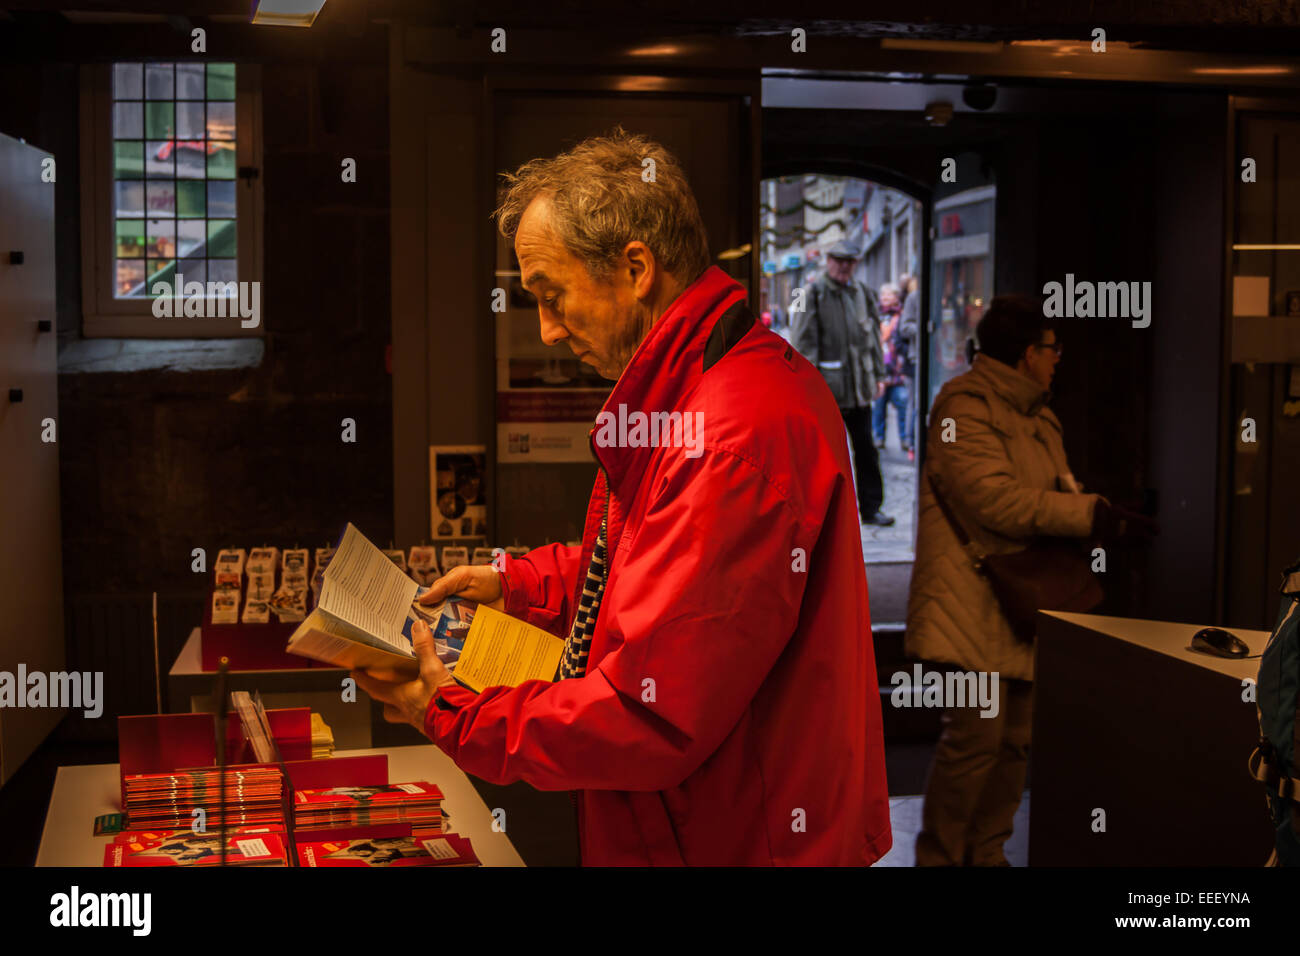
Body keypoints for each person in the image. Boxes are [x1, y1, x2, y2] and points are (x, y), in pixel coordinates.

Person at [353, 129, 891, 866]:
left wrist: (451, 714)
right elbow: (664, 573)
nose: (545, 329)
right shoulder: (720, 384)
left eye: (552, 294)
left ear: (636, 267)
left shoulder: (727, 435)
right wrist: (522, 585)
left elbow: (649, 715)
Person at [905, 295, 1152, 866]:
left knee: (1015, 742)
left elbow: (1057, 491)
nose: (1058, 358)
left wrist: (1103, 512)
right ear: (1025, 353)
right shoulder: (961, 408)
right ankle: (939, 858)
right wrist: (1084, 512)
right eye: (1052, 347)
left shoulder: (1039, 415)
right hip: (969, 599)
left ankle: (988, 854)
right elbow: (995, 501)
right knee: (976, 742)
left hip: (1021, 599)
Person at [789, 239, 895, 526]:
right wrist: (809, 389)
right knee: (826, 456)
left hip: (859, 389)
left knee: (866, 450)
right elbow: (802, 346)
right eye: (839, 260)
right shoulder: (812, 293)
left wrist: (878, 376)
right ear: (829, 260)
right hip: (828, 392)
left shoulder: (862, 293)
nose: (844, 266)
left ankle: (871, 508)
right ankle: (821, 513)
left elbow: (872, 339)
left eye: (850, 261)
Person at [873, 282, 911, 455]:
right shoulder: (875, 314)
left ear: (896, 297)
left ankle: (905, 439)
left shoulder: (902, 315)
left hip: (897, 369)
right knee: (878, 407)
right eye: (883, 295)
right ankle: (878, 437)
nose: (885, 298)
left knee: (903, 405)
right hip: (879, 369)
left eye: (889, 295)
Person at [898, 274, 921, 462]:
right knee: (914, 403)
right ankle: (911, 442)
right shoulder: (914, 298)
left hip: (944, 356)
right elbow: (904, 328)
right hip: (917, 358)